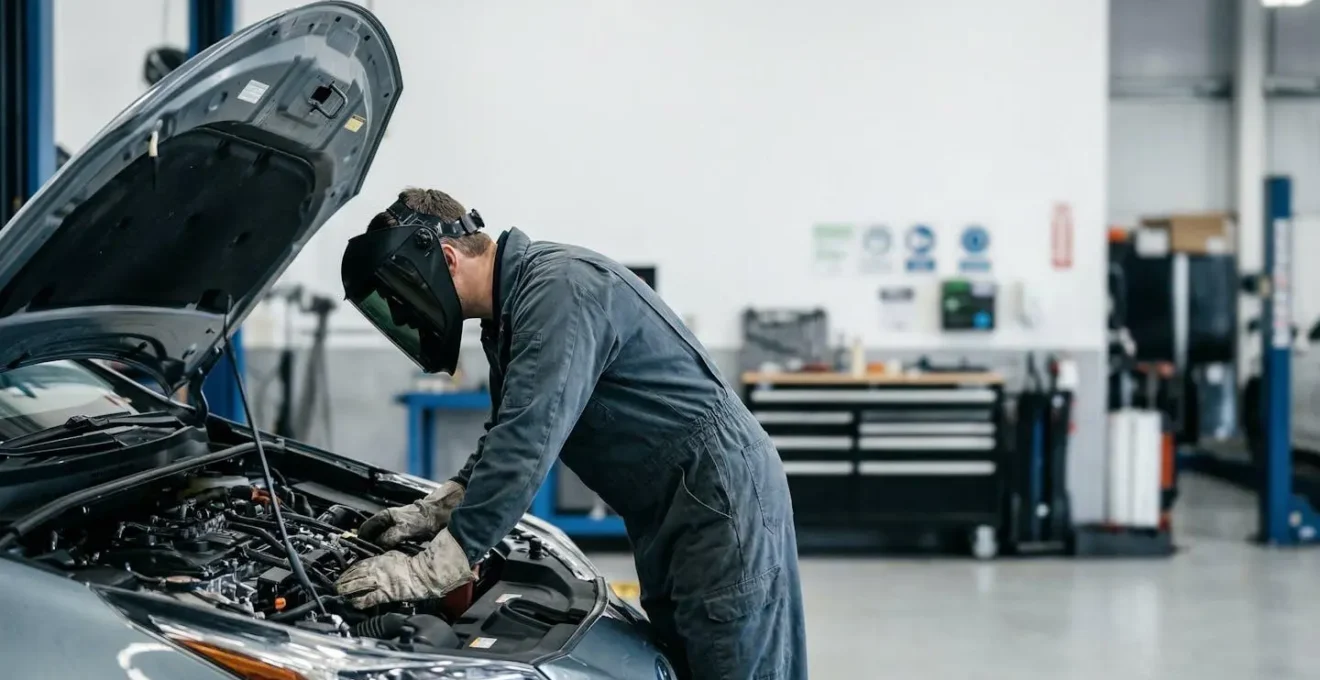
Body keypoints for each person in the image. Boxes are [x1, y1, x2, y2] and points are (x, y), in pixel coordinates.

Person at [336, 188, 807, 679]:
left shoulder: (558, 290)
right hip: (674, 507)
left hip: (718, 500)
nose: (408, 314)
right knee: (689, 661)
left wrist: (432, 568)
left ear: (447, 258)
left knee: (730, 662)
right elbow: (505, 436)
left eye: (402, 297)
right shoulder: (511, 315)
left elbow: (526, 447)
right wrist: (438, 508)